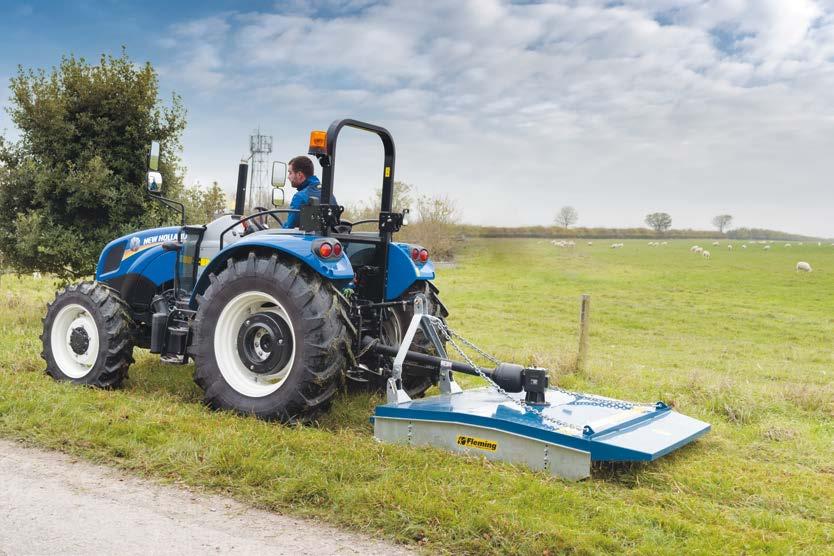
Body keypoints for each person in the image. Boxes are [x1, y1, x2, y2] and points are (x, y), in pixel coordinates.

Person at [282, 156, 337, 229]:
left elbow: (289, 228)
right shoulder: (328, 193)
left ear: (299, 175)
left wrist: (283, 225)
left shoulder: (300, 197)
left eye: (290, 173)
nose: (288, 177)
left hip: (307, 240)